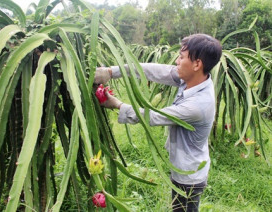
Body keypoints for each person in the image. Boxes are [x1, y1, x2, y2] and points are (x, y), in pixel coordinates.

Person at [94, 34, 222, 212]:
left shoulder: (198, 105)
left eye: (181, 57)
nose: (177, 61)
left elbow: (154, 116)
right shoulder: (194, 79)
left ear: (197, 64)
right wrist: (111, 72)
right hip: (182, 166)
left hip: (190, 175)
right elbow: (153, 71)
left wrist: (116, 104)